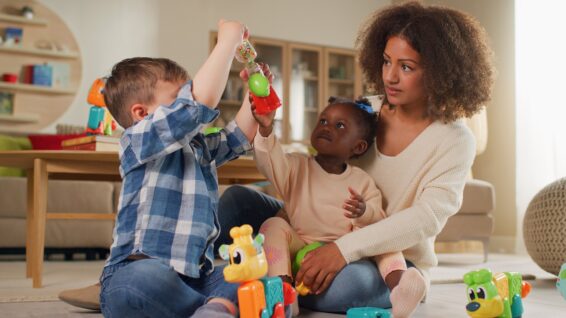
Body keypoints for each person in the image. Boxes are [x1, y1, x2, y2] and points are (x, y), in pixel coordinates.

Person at [221, 1, 494, 316]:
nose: (390, 76)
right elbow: (319, 170)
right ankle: (273, 275)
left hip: (385, 255)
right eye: (386, 61)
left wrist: (341, 250)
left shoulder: (455, 140)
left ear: (440, 72)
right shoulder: (366, 110)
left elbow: (426, 218)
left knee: (355, 286)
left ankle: (272, 280)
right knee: (236, 202)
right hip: (310, 230)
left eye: (406, 67)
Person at [95, 20, 260, 318]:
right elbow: (197, 105)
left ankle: (211, 307)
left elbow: (240, 137)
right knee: (141, 282)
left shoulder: (197, 146)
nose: (186, 101)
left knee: (254, 279)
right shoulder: (138, 139)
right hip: (135, 270)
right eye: (177, 98)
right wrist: (226, 43)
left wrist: (255, 90)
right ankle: (216, 307)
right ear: (141, 113)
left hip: (195, 279)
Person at [252, 96, 426, 317]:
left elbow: (377, 220)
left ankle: (401, 287)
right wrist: (266, 129)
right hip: (301, 247)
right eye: (323, 121)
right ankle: (282, 295)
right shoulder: (296, 167)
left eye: (339, 125)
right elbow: (269, 161)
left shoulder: (362, 181)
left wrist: (363, 213)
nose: (327, 128)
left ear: (359, 146)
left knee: (384, 239)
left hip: (345, 256)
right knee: (273, 224)